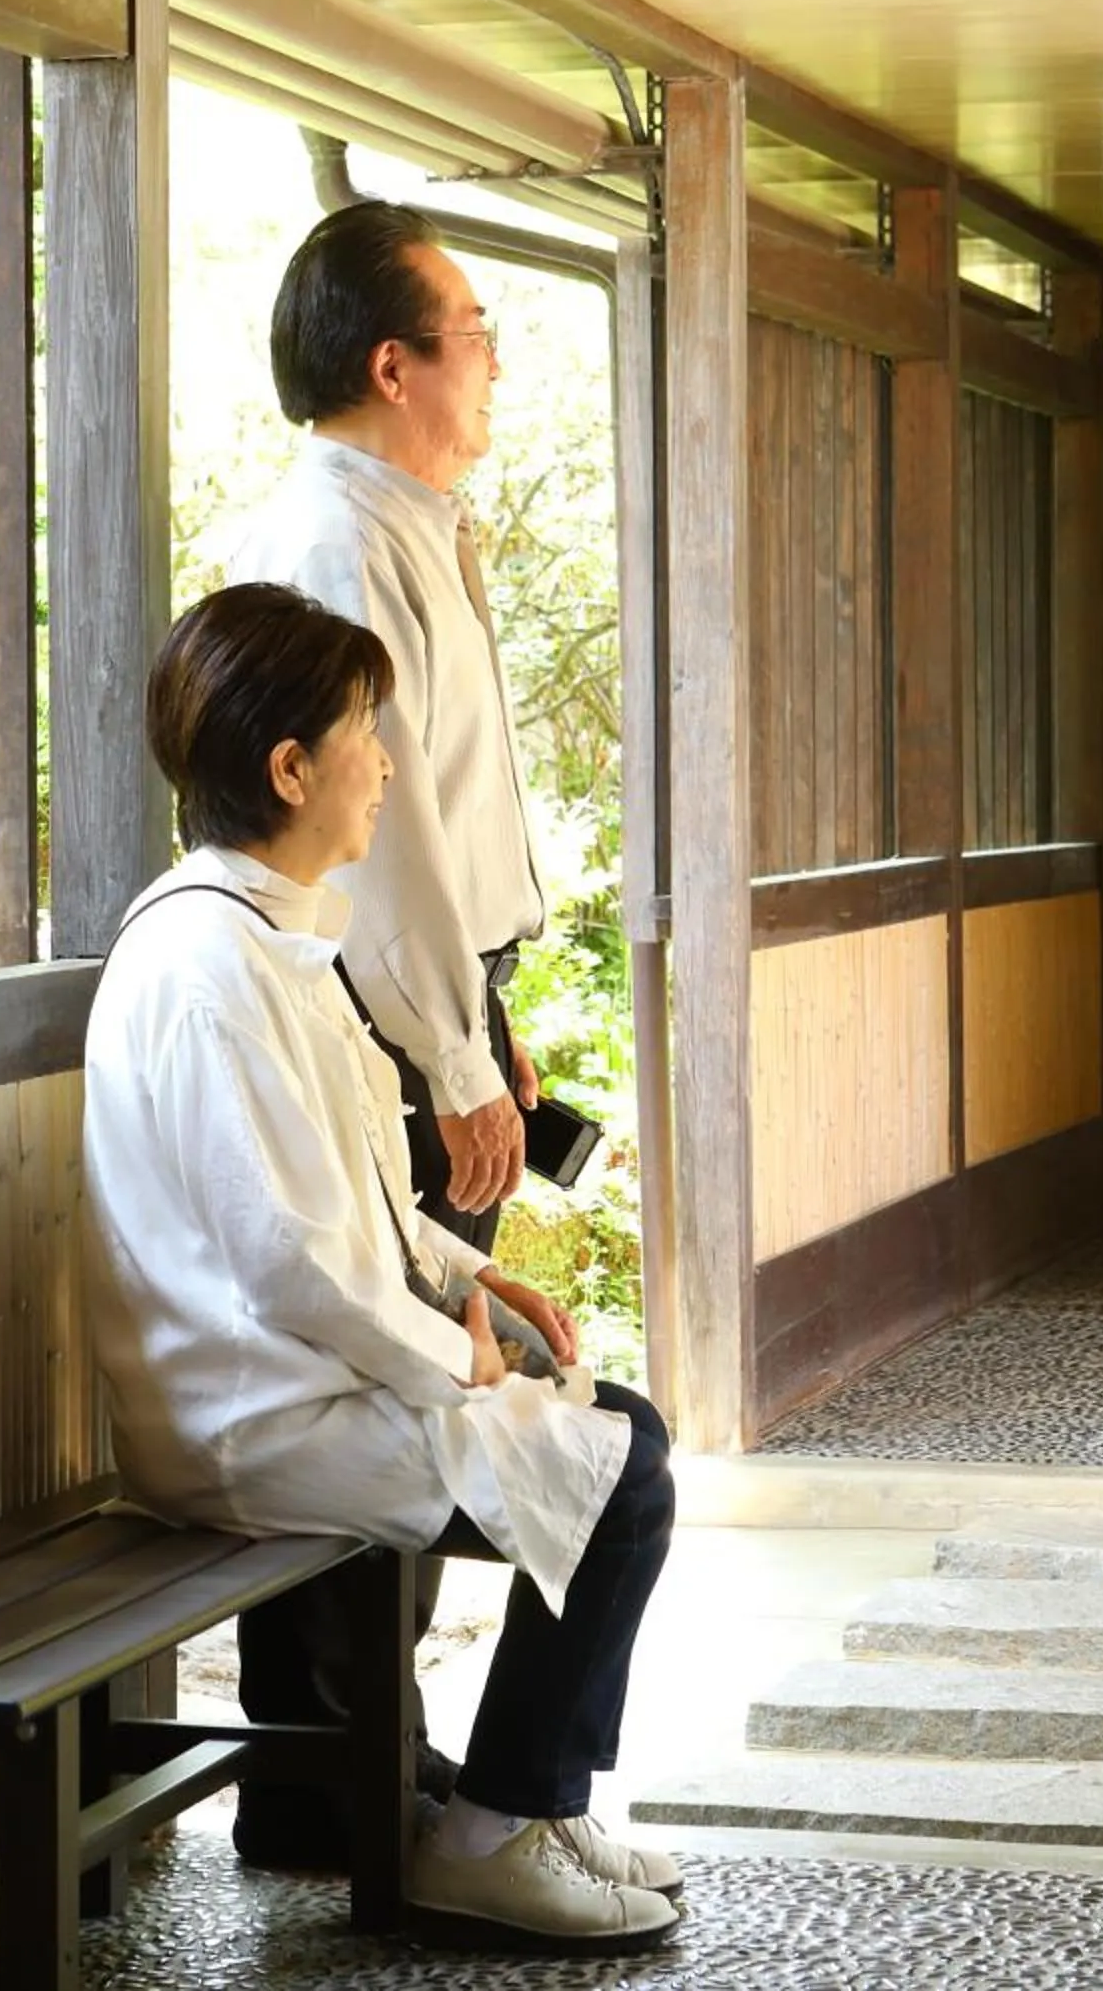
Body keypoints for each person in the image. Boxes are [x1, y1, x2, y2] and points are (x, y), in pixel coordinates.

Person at [81, 584, 681, 1956]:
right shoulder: (208, 965)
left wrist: (472, 1284)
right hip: (245, 1412)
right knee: (623, 1474)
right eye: (366, 732)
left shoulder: (268, 934)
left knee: (619, 1436)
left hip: (296, 1374)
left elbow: (359, 1198)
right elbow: (290, 1264)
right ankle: (496, 1833)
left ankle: (523, 1808)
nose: (389, 765)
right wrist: (450, 1358)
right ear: (291, 770)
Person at [218, 199, 555, 1863]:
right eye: (474, 332)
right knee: (379, 1386)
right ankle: (327, 1778)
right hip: (374, 1012)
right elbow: (387, 843)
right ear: (393, 364)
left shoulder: (412, 522)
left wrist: (493, 1019)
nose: (494, 360)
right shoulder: (341, 542)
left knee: (420, 1382)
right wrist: (454, 1055)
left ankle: (363, 1764)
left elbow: (451, 835)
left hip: (432, 999)